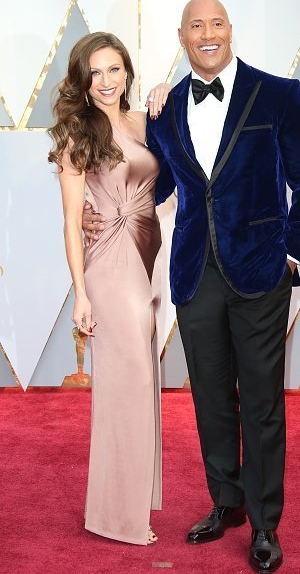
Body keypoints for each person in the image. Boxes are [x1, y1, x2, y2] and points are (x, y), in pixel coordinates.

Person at [83, 0, 300, 572]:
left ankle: (265, 525)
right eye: (196, 25)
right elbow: (159, 183)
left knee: (262, 402)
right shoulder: (165, 107)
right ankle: (227, 503)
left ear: (230, 30)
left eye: (216, 23)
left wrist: (293, 252)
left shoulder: (278, 94)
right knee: (211, 396)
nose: (207, 33)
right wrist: (102, 207)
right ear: (182, 36)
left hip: (262, 267)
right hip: (195, 270)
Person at [48, 32, 171, 545]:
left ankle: (126, 501)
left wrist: (169, 88)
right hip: (109, 262)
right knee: (131, 379)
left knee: (141, 379)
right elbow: (73, 220)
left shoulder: (145, 123)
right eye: (94, 73)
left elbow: (178, 160)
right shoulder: (79, 134)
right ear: (83, 79)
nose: (105, 82)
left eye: (114, 69)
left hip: (147, 254)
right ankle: (118, 516)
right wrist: (80, 293)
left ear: (127, 72)